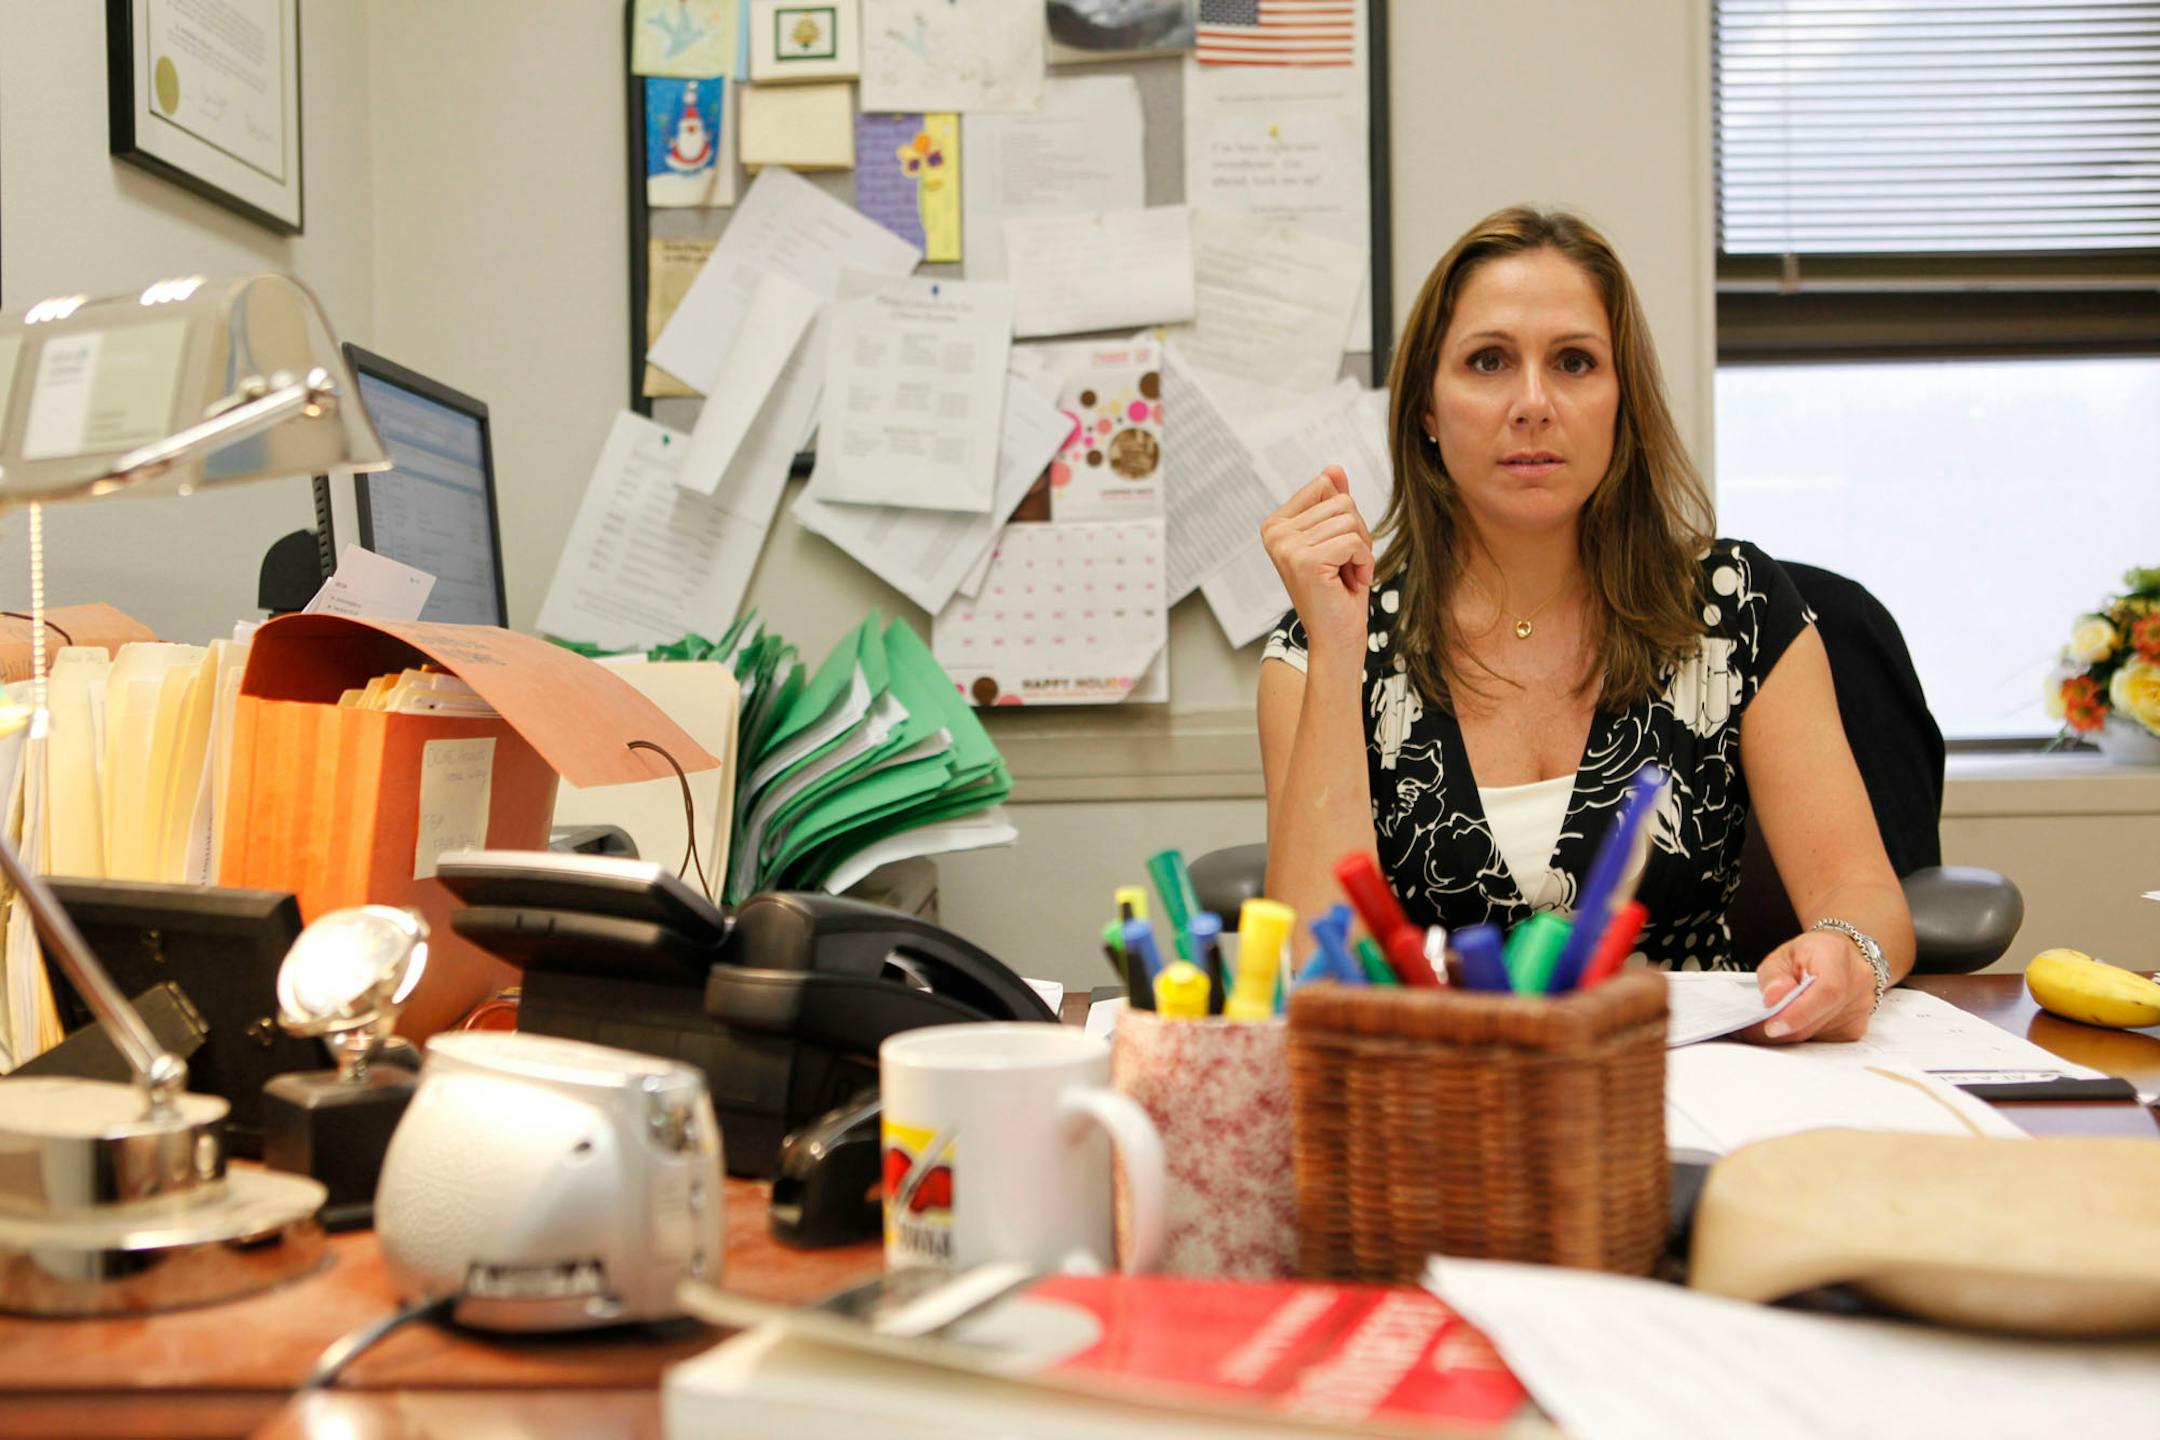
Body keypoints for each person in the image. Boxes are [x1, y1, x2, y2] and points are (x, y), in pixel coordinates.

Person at [1257, 205, 1912, 1042]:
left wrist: (1847, 950)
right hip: (1434, 1098)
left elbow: (1865, 893)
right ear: (1427, 405)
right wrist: (1341, 646)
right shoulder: (1325, 633)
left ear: (1620, 399)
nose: (1532, 404)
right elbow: (1313, 959)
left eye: (1573, 362)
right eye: (1488, 361)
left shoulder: (1736, 605)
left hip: (1692, 1083)